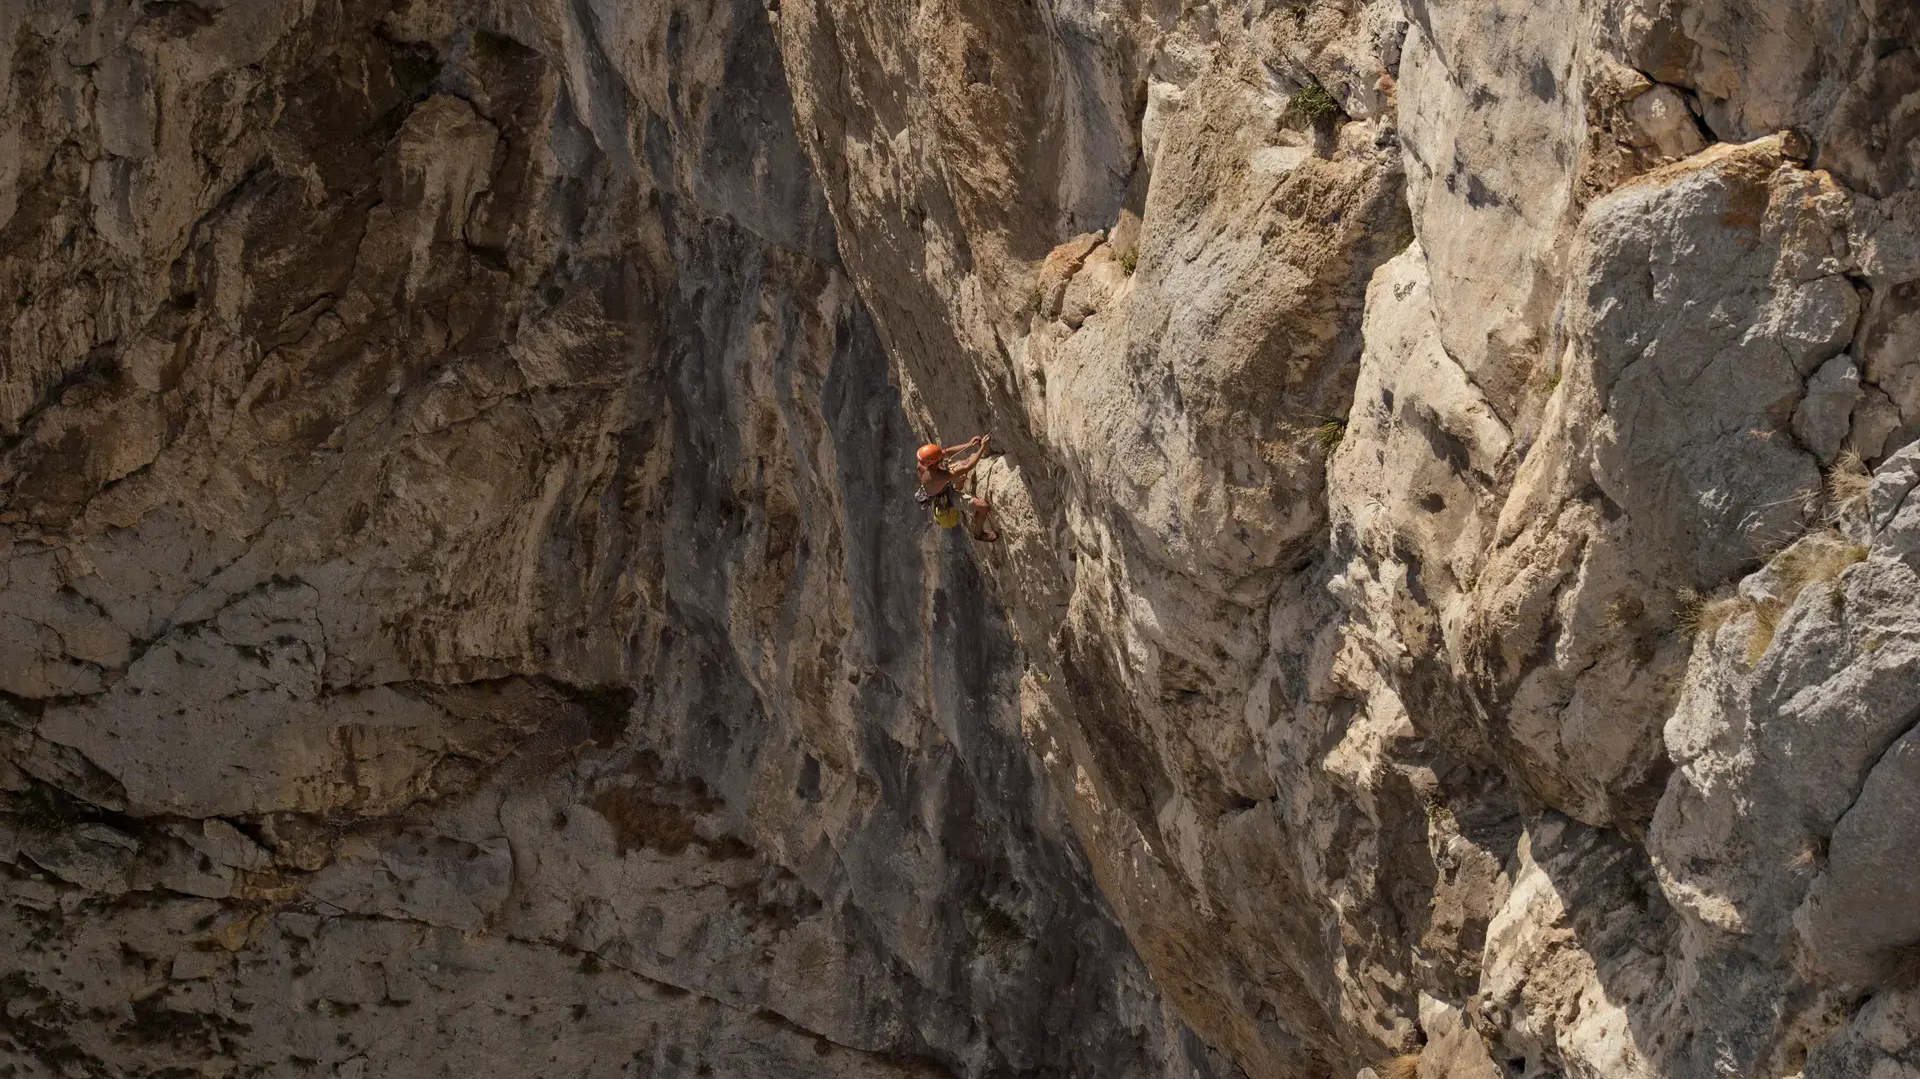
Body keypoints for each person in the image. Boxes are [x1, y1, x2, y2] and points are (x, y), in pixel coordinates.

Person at [915, 436, 998, 542]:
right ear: (935, 461)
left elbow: (947, 452)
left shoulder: (923, 462)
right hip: (944, 495)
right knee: (983, 507)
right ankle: (979, 533)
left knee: (962, 464)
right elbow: (968, 466)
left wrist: (968, 444)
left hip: (936, 487)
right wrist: (982, 447)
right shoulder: (939, 476)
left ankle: (958, 485)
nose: (942, 455)